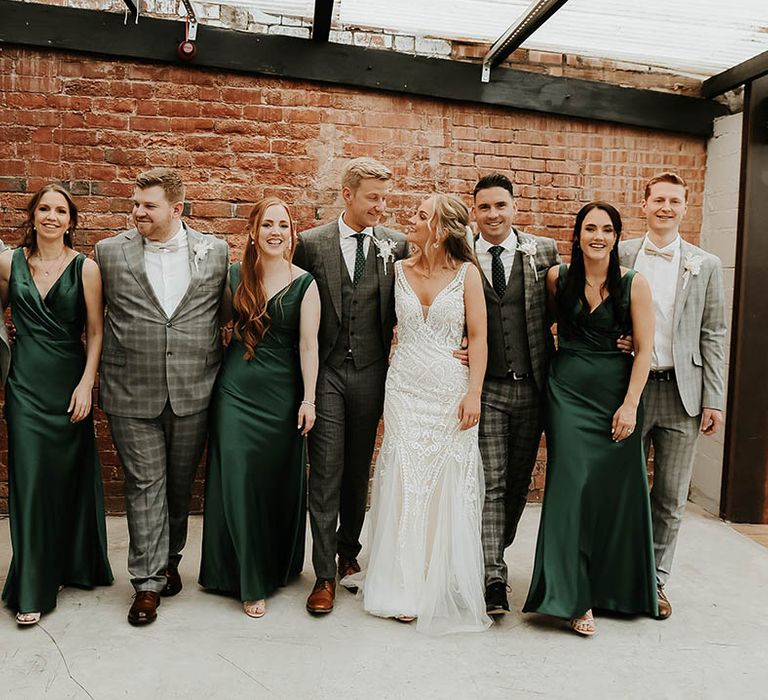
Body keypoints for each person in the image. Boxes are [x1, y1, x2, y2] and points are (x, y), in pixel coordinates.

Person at [347, 193, 490, 634]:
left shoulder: (467, 274)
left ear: (442, 229)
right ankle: (399, 582)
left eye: (421, 216)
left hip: (450, 392)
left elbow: (480, 338)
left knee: (444, 482)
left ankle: (433, 582)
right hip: (405, 388)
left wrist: (474, 393)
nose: (412, 219)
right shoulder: (397, 271)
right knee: (405, 478)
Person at [95, 168, 228, 626]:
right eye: (135, 203)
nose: (138, 212)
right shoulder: (109, 253)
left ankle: (169, 557)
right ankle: (146, 583)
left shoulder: (216, 252)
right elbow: (92, 321)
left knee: (177, 484)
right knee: (144, 484)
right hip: (131, 390)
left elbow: (225, 314)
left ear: (177, 208)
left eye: (148, 205)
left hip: (195, 388)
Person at [523, 201, 658, 636]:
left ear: (617, 237)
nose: (597, 236)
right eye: (589, 228)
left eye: (606, 229)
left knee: (614, 491)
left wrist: (631, 404)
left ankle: (614, 590)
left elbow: (644, 349)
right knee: (571, 486)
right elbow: (539, 331)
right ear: (577, 235)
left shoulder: (635, 285)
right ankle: (571, 597)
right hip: (567, 393)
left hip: (615, 395)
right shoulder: (556, 278)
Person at [293, 158, 408, 615]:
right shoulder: (312, 244)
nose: (380, 206)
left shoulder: (395, 246)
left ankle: (347, 554)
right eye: (372, 198)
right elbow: (295, 302)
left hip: (373, 373)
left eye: (384, 198)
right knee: (324, 469)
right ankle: (322, 574)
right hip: (325, 372)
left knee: (358, 469)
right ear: (347, 194)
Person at [199, 197, 320, 618]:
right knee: (237, 478)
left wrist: (309, 399)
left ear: (291, 233)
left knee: (270, 483)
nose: (275, 232)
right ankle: (247, 580)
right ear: (253, 231)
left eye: (282, 225)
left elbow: (308, 345)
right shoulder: (234, 276)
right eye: (267, 224)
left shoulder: (305, 283)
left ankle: (271, 565)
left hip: (282, 397)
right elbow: (215, 329)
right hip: (235, 393)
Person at [0, 184, 113, 626]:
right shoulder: (10, 264)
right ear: (32, 215)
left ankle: (70, 565)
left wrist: (88, 384)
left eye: (60, 210)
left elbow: (96, 332)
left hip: (69, 385)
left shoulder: (86, 269)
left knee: (65, 480)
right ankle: (32, 584)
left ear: (71, 220)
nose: (51, 216)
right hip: (25, 386)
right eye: (43, 208)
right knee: (29, 483)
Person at [619, 172, 726, 619]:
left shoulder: (705, 263)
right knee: (623, 489)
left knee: (669, 494)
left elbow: (714, 333)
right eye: (658, 199)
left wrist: (714, 399)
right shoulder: (622, 253)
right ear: (643, 205)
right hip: (630, 389)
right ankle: (620, 575)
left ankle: (656, 582)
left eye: (674, 201)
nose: (666, 207)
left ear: (685, 208)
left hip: (683, 393)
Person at [471, 174, 560, 616]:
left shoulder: (543, 251)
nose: (493, 215)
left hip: (534, 388)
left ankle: (495, 548)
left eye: (500, 206)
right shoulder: (462, 253)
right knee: (492, 482)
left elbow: (569, 308)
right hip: (487, 389)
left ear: (514, 208)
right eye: (485, 207)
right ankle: (493, 577)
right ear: (475, 211)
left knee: (520, 482)